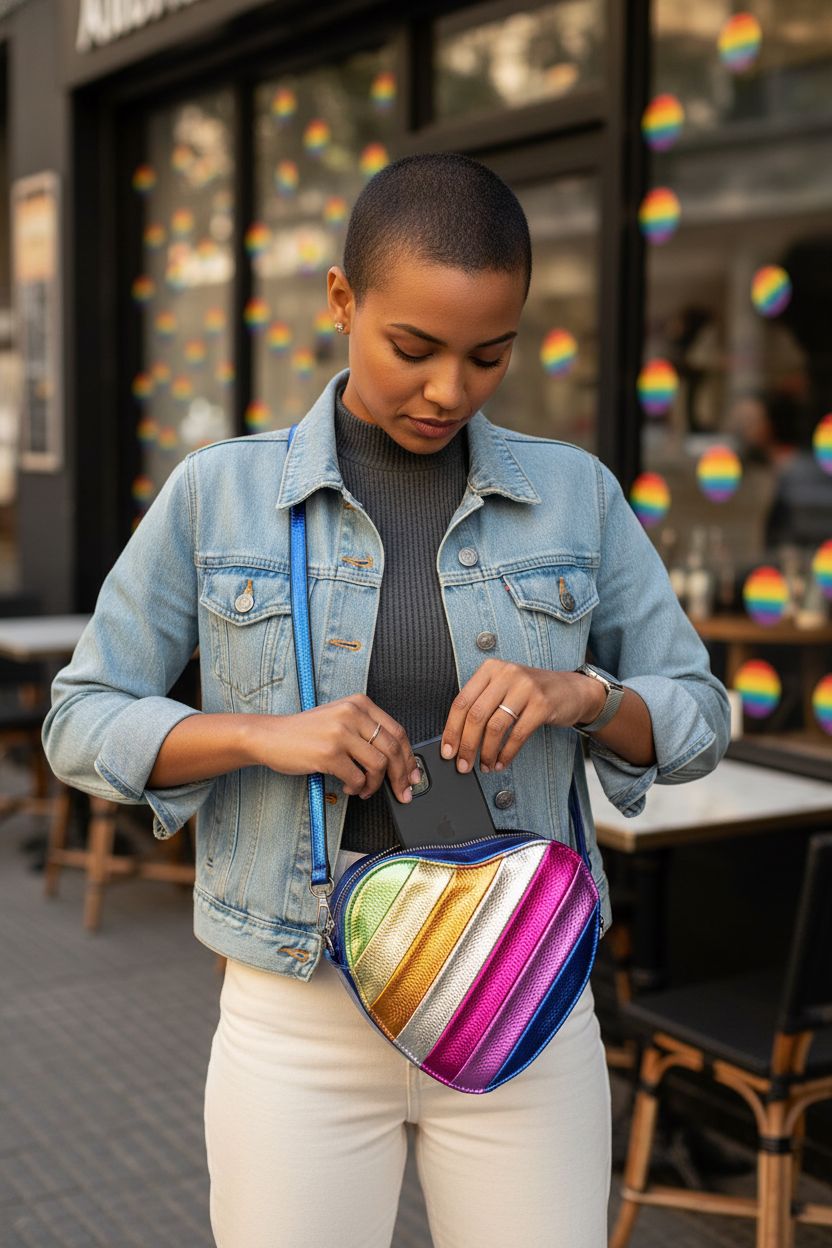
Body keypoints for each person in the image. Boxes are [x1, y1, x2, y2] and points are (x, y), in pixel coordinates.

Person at [42, 152, 731, 1248]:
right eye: (413, 347)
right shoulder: (221, 494)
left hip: (522, 996)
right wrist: (262, 735)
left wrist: (579, 694)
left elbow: (698, 712)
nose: (449, 390)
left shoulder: (574, 497)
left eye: (487, 355)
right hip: (297, 1008)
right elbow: (79, 719)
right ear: (341, 302)